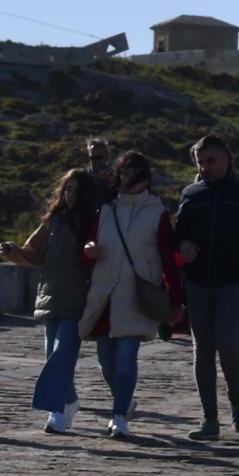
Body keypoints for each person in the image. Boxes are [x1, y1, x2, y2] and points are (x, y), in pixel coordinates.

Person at [172, 135, 239, 441]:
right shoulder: (192, 194)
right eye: (200, 162)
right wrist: (183, 243)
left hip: (234, 281)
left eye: (211, 160)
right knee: (202, 348)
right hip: (197, 283)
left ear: (227, 159)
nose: (205, 167)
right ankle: (210, 420)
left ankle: (236, 400)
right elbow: (178, 233)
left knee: (228, 341)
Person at [79, 150, 183, 438]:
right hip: (104, 294)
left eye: (130, 173)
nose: (125, 177)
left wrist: (175, 299)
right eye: (122, 172)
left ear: (144, 178)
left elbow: (167, 257)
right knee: (106, 362)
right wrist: (89, 251)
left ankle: (119, 415)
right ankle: (124, 402)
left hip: (136, 296)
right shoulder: (106, 210)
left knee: (126, 357)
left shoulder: (157, 214)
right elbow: (89, 243)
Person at [0, 167, 100, 433]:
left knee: (61, 356)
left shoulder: (95, 222)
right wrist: (12, 251)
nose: (71, 194)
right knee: (51, 356)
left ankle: (56, 412)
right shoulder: (53, 220)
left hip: (79, 298)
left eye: (77, 189)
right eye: (67, 188)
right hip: (50, 296)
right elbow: (33, 253)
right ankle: (71, 401)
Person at [84, 137, 118, 206]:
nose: (95, 161)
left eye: (98, 157)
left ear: (106, 157)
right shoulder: (83, 176)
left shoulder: (114, 177)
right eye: (93, 158)